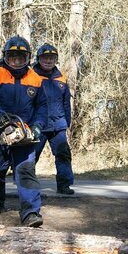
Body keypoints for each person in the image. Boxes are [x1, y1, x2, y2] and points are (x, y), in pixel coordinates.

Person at [0, 36, 48, 227]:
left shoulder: (35, 79)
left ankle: (30, 212)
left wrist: (38, 125)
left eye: (21, 58)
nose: (17, 61)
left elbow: (42, 107)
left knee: (25, 171)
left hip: (24, 132)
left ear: (28, 58)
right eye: (13, 57)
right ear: (6, 58)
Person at [32, 43, 75, 195]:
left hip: (58, 124)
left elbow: (66, 103)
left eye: (52, 58)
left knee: (63, 154)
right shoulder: (31, 76)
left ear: (56, 60)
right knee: (31, 155)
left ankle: (64, 185)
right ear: (39, 59)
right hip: (38, 125)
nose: (48, 61)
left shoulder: (61, 78)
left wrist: (66, 123)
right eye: (45, 58)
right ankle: (25, 184)